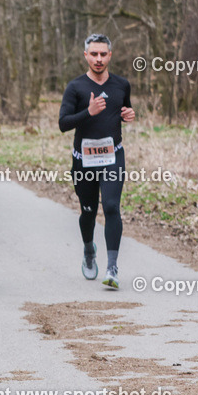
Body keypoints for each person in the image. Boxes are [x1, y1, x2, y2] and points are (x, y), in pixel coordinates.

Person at [58, 33, 135, 289]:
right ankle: (89, 248)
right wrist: (87, 112)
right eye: (94, 54)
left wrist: (128, 114)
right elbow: (63, 124)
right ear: (86, 56)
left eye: (103, 54)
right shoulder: (76, 87)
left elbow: (123, 110)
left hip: (113, 155)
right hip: (84, 159)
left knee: (112, 207)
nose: (99, 59)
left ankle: (112, 268)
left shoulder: (121, 84)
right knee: (88, 212)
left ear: (110, 55)